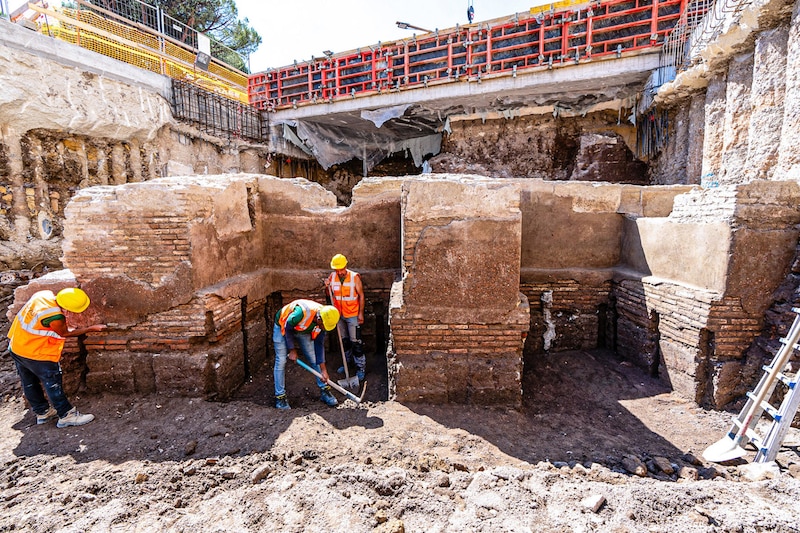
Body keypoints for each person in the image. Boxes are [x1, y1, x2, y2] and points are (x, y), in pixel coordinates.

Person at [7, 288, 106, 428]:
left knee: (29, 382)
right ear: (67, 308)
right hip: (36, 353)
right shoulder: (55, 317)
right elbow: (64, 332)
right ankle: (66, 415)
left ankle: (43, 412)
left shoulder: (43, 295)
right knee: (52, 382)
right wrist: (90, 328)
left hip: (17, 346)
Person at [273, 298, 340, 410]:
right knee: (281, 360)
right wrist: (292, 350)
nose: (324, 329)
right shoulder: (301, 313)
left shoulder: (324, 321)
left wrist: (324, 370)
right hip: (282, 325)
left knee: (313, 358)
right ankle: (280, 398)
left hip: (302, 329)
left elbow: (319, 346)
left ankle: (325, 391)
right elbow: (288, 328)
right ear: (319, 319)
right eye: (323, 326)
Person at [324, 253, 366, 382]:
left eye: (341, 269)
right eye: (337, 269)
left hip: (352, 314)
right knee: (344, 342)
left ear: (345, 266)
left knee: (356, 342)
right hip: (339, 315)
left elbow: (361, 296)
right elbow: (330, 294)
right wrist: (327, 287)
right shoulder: (332, 277)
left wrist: (361, 313)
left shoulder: (354, 277)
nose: (339, 271)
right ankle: (346, 364)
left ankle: (360, 368)